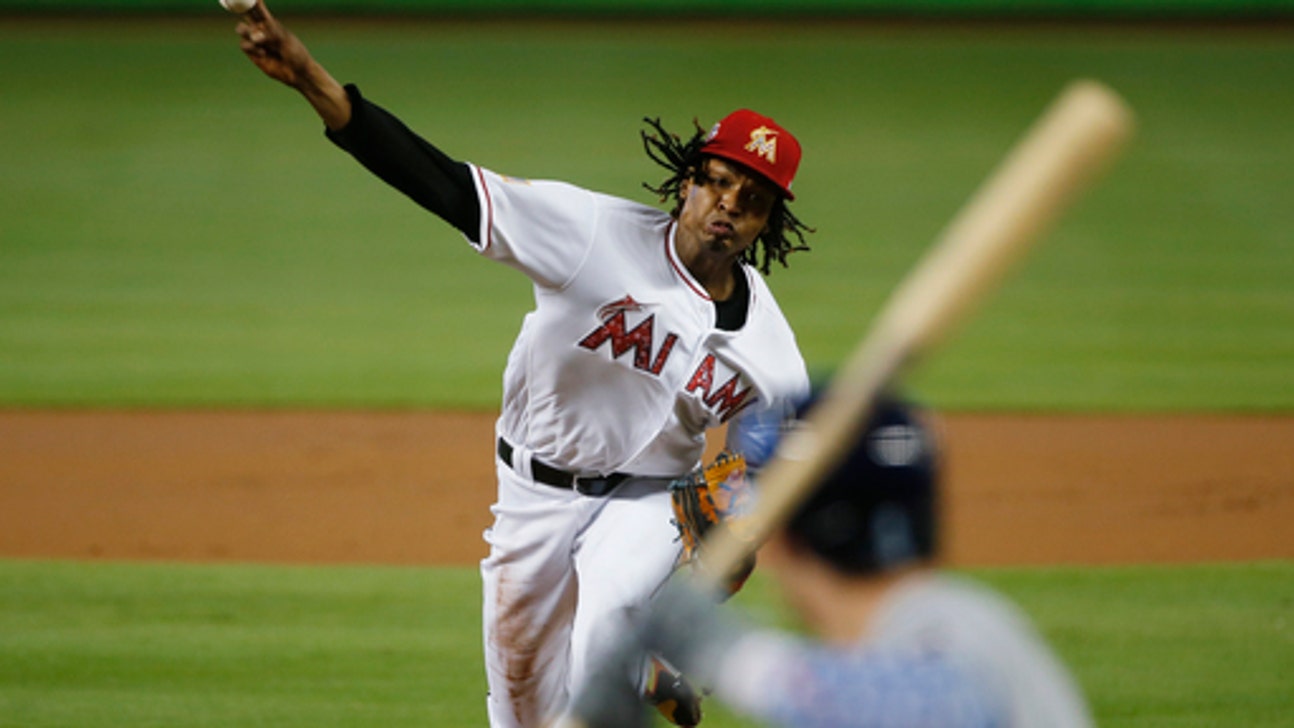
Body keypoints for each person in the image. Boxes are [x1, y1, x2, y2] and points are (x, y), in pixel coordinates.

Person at [232, 5, 814, 727]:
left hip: (648, 501)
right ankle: (649, 655)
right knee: (521, 714)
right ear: (687, 181)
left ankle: (645, 645)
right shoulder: (591, 234)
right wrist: (308, 79)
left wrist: (741, 532)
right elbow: (442, 185)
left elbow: (794, 454)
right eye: (719, 182)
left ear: (767, 224)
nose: (728, 206)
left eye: (752, 201)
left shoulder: (766, 342)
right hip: (531, 498)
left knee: (606, 625)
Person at [570, 395, 1096, 727]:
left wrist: (735, 657)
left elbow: (941, 705)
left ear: (782, 542)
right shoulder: (919, 636)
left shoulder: (950, 631)